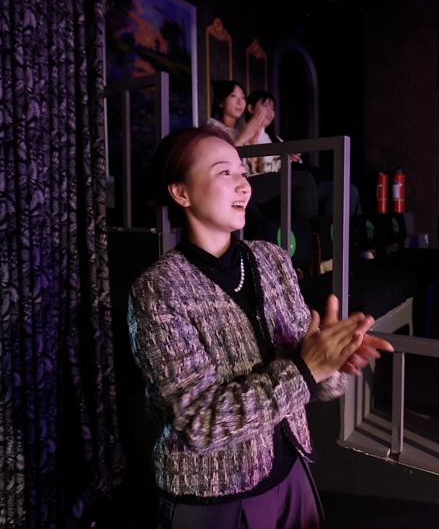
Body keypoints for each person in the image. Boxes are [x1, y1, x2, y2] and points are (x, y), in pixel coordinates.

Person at [128, 126, 393, 528]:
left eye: (242, 171)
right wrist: (307, 368)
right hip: (215, 497)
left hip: (291, 471)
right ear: (181, 193)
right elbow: (200, 423)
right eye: (224, 172)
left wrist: (333, 360)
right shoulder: (159, 289)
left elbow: (311, 376)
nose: (243, 185)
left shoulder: (272, 259)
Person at [206, 80, 272, 147]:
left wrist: (253, 142)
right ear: (220, 102)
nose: (239, 102)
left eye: (242, 97)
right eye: (233, 96)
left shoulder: (236, 133)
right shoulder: (212, 130)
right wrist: (242, 138)